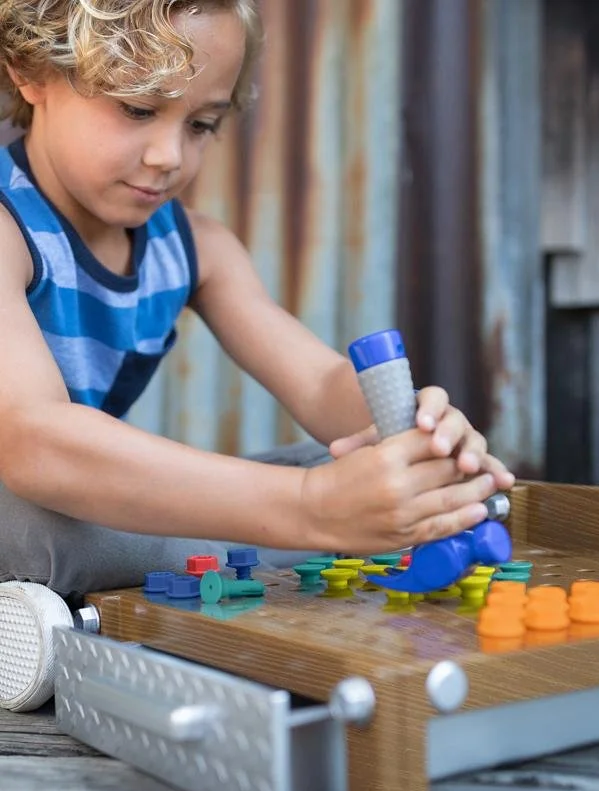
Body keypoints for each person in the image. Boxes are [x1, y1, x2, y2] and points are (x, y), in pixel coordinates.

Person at [0, 0, 514, 709]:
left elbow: (320, 381)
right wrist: (308, 508)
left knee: (339, 468)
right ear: (32, 71)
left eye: (201, 124)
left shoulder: (197, 247)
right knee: (36, 522)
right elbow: (32, 442)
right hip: (25, 504)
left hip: (86, 510)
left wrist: (420, 441)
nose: (168, 157)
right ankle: (310, 536)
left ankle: (326, 527)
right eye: (138, 108)